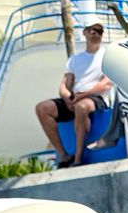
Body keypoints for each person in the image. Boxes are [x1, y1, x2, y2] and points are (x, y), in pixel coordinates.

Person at [33, 22, 112, 168]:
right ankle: (63, 155)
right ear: (85, 32)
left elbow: (106, 84)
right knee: (42, 108)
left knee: (81, 107)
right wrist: (67, 97)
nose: (96, 34)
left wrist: (82, 96)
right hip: (75, 98)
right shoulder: (75, 60)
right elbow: (64, 85)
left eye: (100, 31)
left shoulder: (107, 55)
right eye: (93, 31)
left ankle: (78, 158)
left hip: (95, 98)